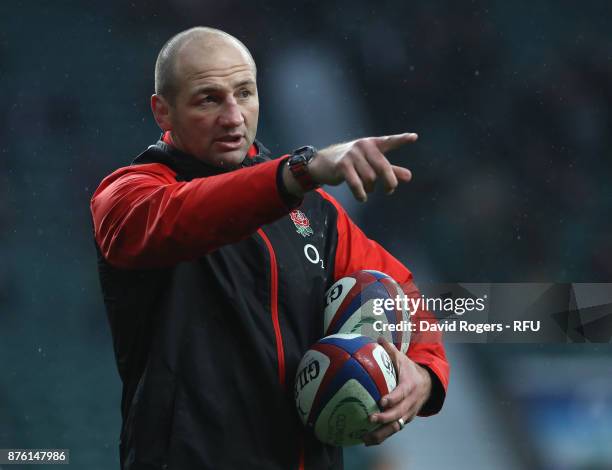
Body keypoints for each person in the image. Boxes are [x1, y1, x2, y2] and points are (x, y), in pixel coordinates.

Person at [90, 27, 449, 470]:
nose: (234, 116)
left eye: (244, 93)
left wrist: (423, 374)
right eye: (208, 99)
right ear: (162, 112)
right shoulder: (127, 195)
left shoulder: (315, 212)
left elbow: (404, 295)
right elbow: (190, 212)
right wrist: (299, 172)